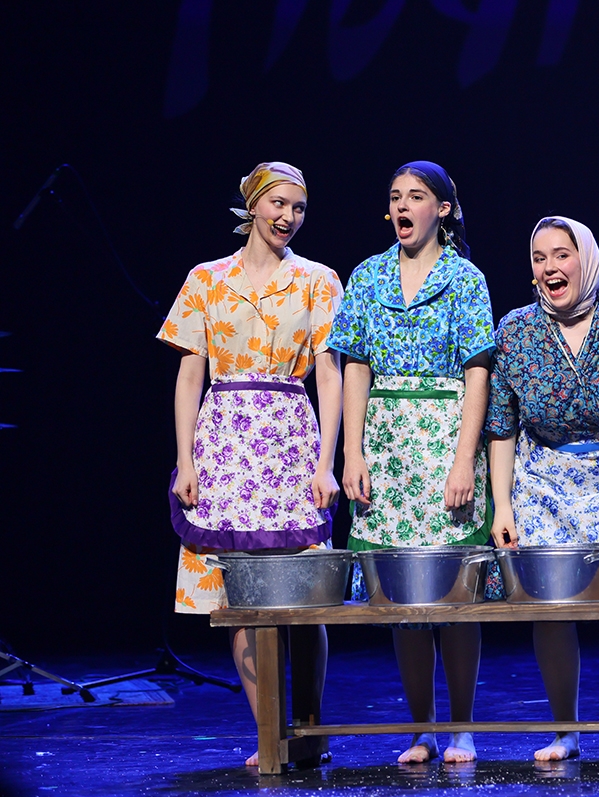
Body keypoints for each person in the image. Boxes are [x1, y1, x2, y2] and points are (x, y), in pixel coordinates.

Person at [158, 161, 343, 768]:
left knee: (304, 596)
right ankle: (271, 736)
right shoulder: (207, 278)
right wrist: (185, 460)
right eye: (278, 204)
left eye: (299, 208)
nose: (288, 217)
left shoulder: (317, 280)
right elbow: (189, 376)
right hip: (225, 448)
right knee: (239, 598)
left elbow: (330, 376)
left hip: (289, 443)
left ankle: (308, 730)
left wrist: (326, 462)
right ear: (254, 205)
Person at [329, 160, 493, 765]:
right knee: (403, 603)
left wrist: (464, 459)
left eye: (416, 196)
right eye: (395, 196)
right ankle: (421, 728)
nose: (402, 206)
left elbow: (477, 372)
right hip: (388, 448)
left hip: (445, 441)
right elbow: (355, 366)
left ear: (441, 209)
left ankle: (461, 728)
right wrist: (352, 450)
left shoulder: (464, 277)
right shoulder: (368, 275)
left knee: (454, 598)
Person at [487, 216, 599, 762]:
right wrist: (502, 505)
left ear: (586, 259)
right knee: (550, 608)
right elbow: (502, 425)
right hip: (541, 480)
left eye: (561, 255)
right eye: (539, 258)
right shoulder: (516, 329)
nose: (549, 268)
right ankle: (565, 730)